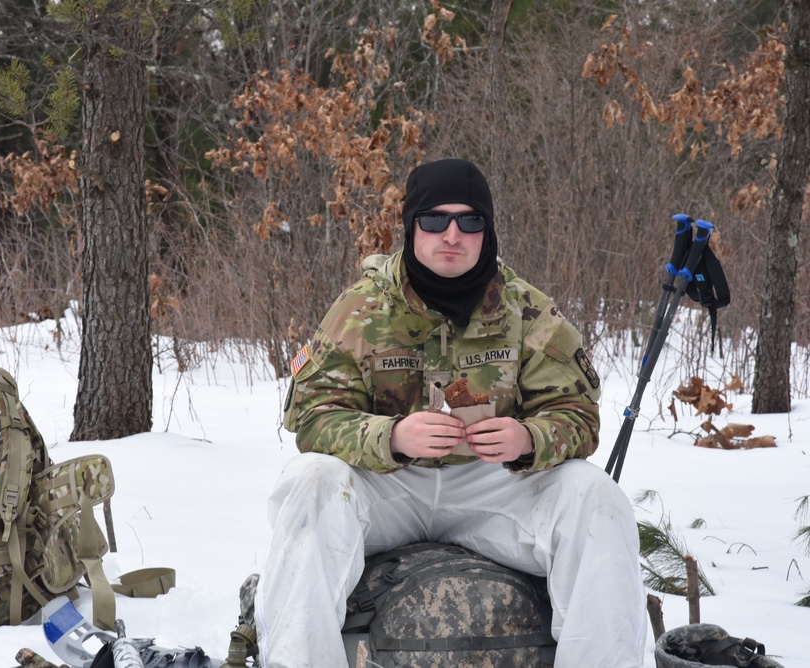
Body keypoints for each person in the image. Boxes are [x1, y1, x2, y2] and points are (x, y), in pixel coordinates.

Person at [253, 159, 646, 667]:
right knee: (311, 482)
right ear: (412, 227)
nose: (452, 235)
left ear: (488, 230)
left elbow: (578, 414)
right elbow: (312, 418)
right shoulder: (360, 310)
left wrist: (527, 439)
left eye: (470, 221)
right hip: (389, 487)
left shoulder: (526, 310)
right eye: (435, 220)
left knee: (597, 498)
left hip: (491, 486)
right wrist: (391, 437)